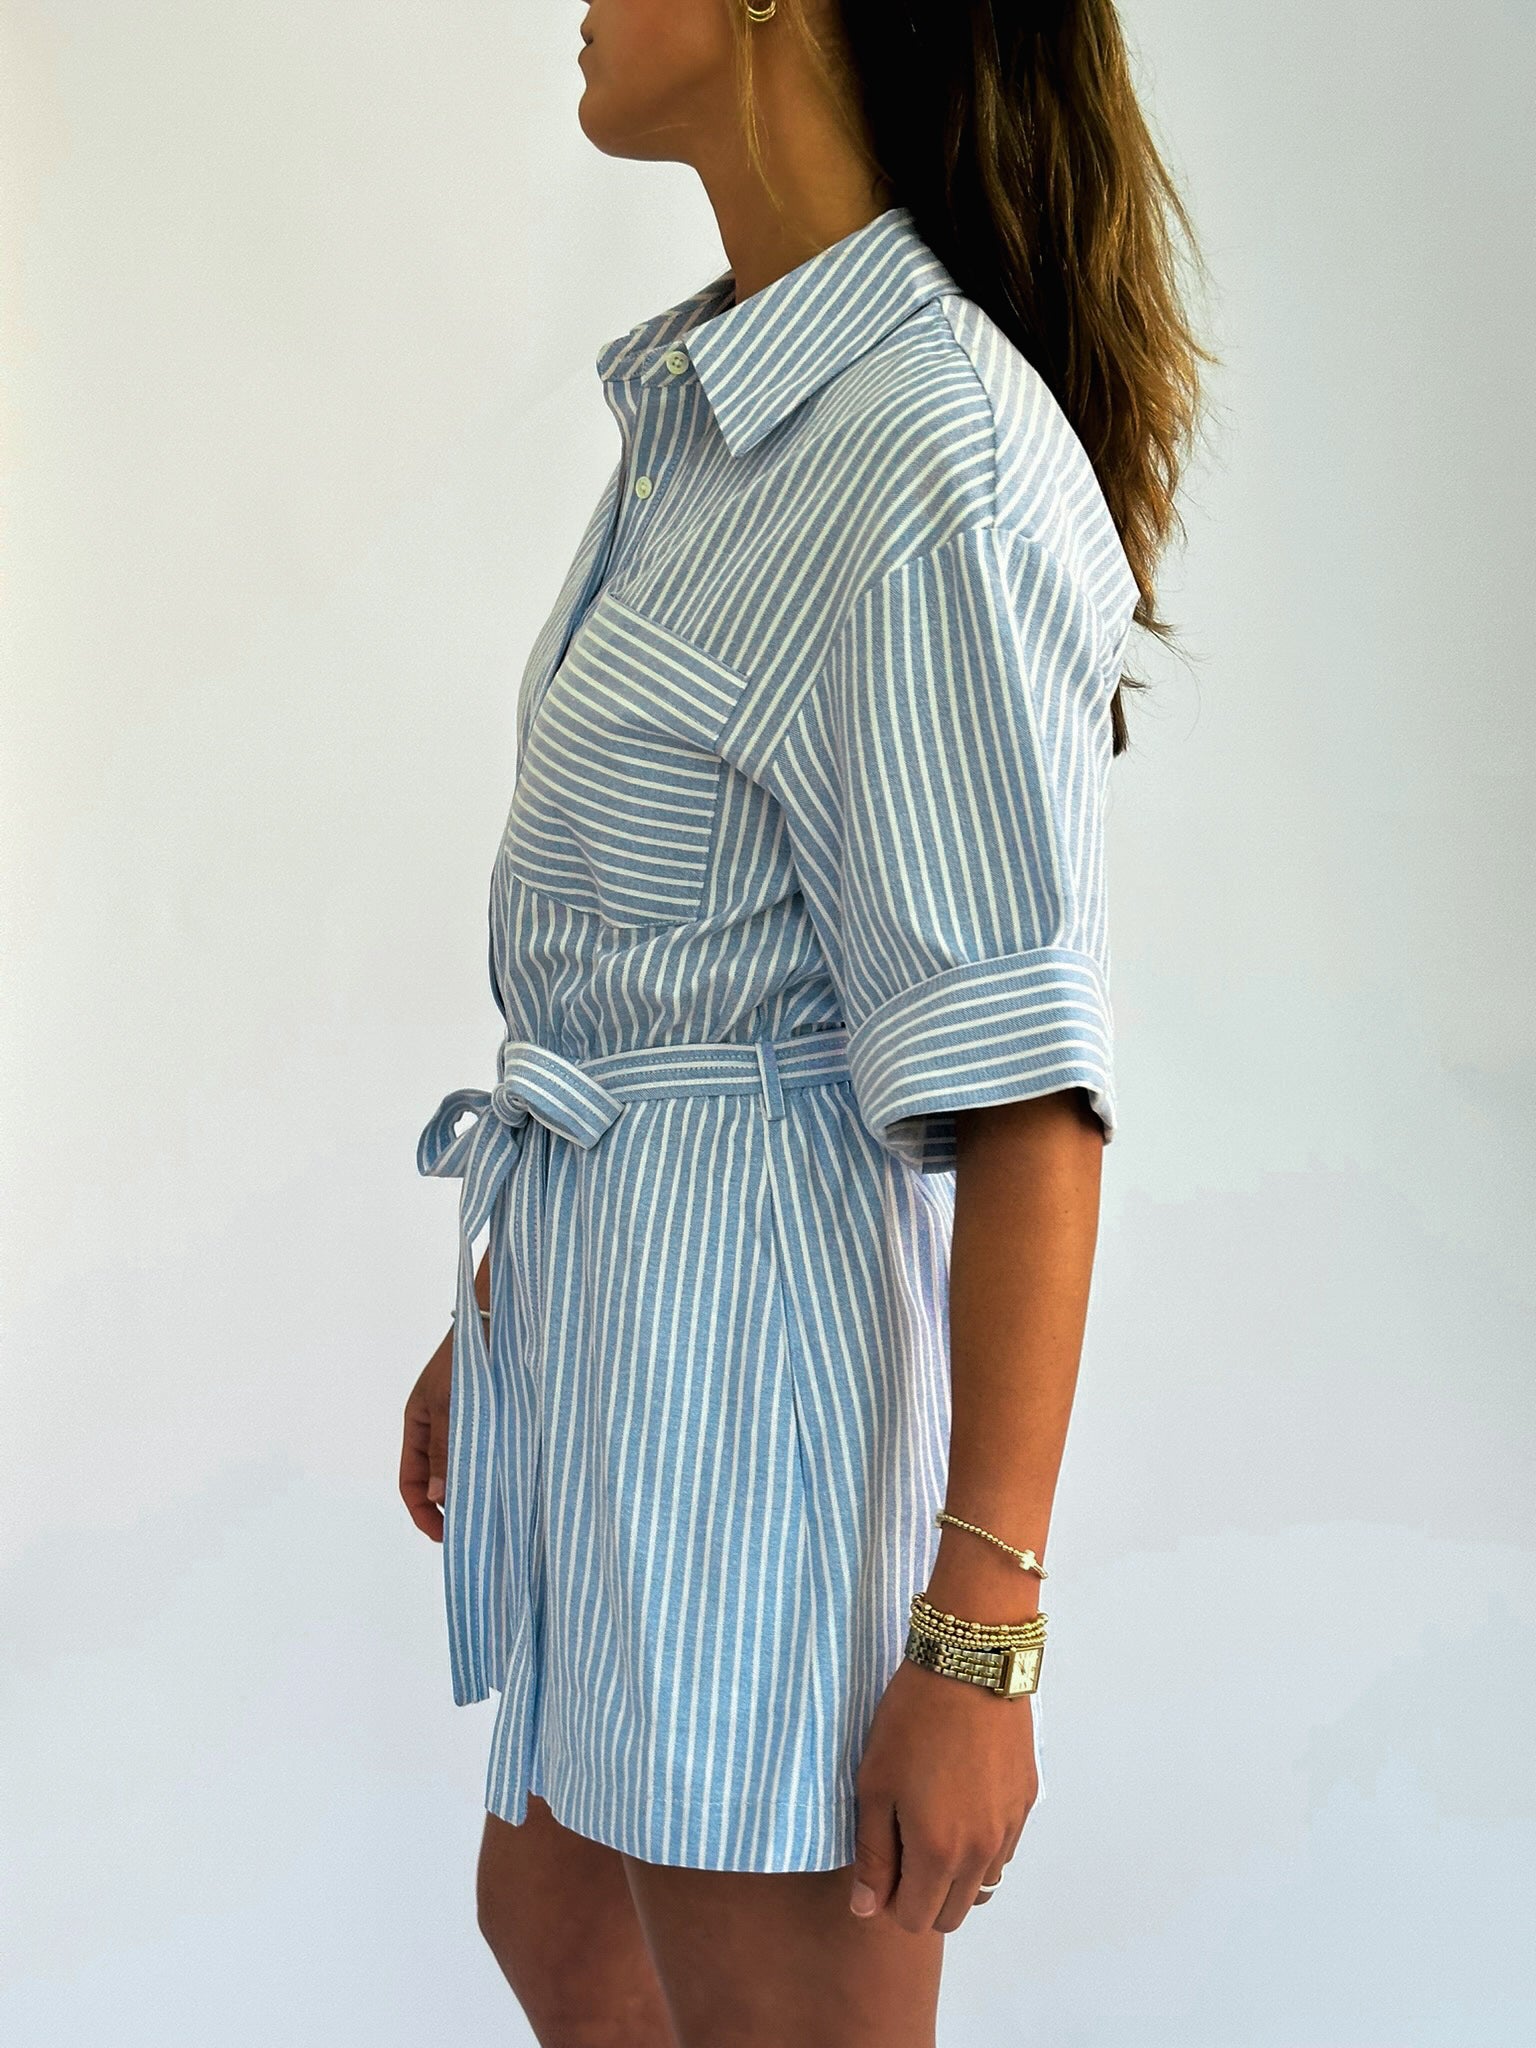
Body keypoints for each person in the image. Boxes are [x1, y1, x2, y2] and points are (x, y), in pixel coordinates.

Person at [400, 2, 1209, 2041]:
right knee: (561, 1937)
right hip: (623, 1361)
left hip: (758, 1435)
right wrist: (510, 1310)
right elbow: (679, 959)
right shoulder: (730, 401)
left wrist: (980, 1638)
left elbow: (1028, 1095)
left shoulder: (923, 450)